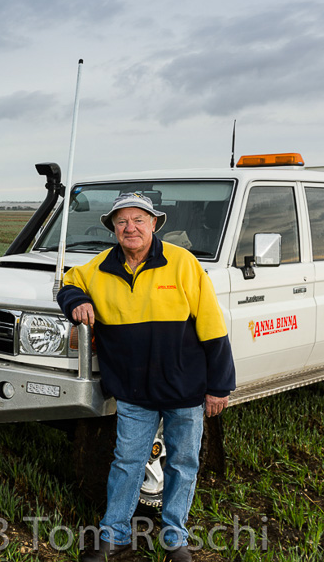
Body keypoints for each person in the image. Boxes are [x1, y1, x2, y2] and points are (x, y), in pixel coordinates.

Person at [56, 192, 235, 562]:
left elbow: (213, 327)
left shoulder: (182, 263)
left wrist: (219, 386)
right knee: (126, 464)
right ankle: (115, 538)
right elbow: (68, 282)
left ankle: (174, 540)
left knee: (183, 465)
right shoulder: (99, 267)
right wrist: (77, 301)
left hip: (184, 390)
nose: (130, 228)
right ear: (112, 228)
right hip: (133, 391)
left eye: (139, 220)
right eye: (122, 221)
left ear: (154, 224)